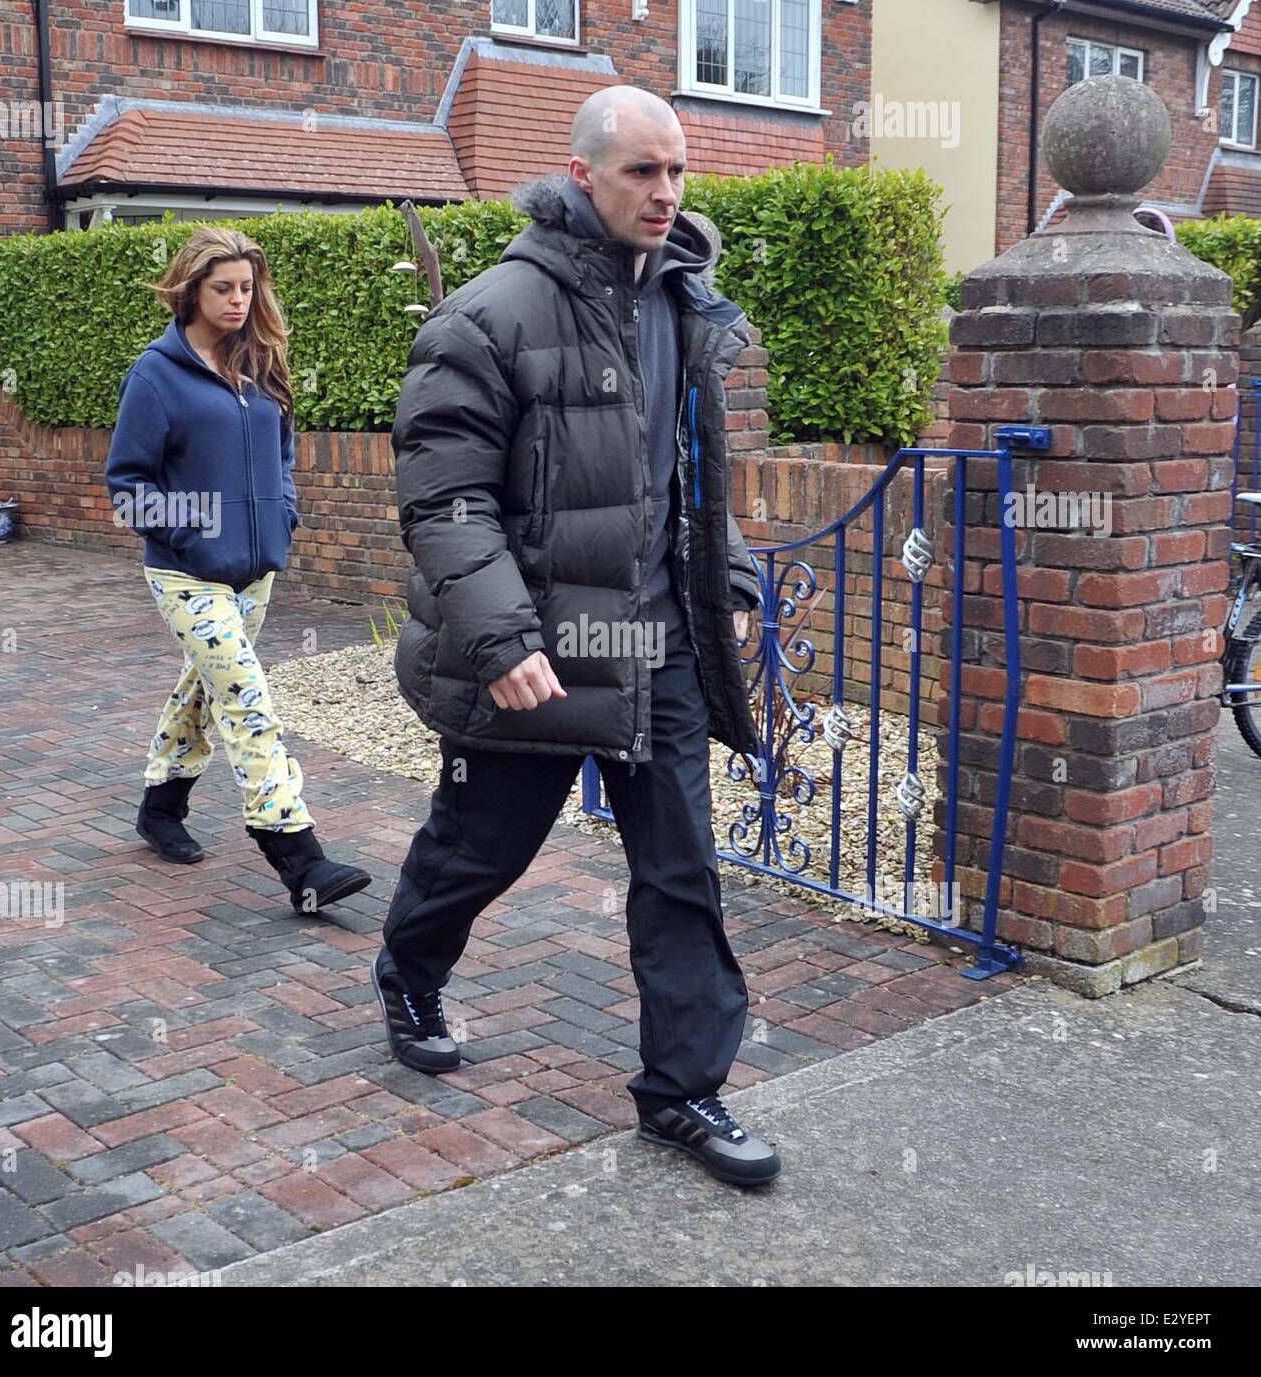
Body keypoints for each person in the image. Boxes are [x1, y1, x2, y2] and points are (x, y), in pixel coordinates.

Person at [374, 87, 780, 1187]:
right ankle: (410, 971)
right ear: (582, 172)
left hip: (664, 652)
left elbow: (692, 478)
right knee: (481, 850)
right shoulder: (489, 315)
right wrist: (502, 642)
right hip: (541, 653)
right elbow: (445, 501)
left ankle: (684, 1093)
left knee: (680, 870)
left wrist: (729, 574)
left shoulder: (688, 305)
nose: (666, 193)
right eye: (643, 171)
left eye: (678, 171)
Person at [105, 225, 371, 917]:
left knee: (205, 687)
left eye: (247, 287)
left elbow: (282, 453)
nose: (237, 300)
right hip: (186, 574)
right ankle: (298, 855)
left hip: (255, 573)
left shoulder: (263, 362)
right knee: (249, 701)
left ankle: (161, 806)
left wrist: (283, 510)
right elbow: (129, 482)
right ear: (190, 289)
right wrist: (190, 533)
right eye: (222, 287)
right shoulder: (156, 374)